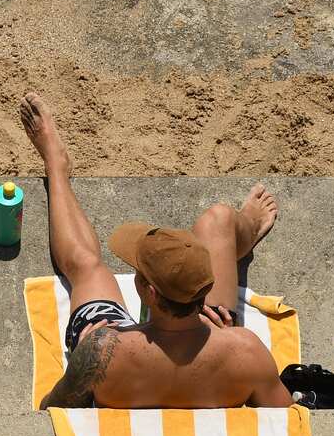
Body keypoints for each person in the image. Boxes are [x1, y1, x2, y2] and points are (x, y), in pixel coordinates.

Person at [19, 93, 293, 410]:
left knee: (86, 266)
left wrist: (91, 346)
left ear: (147, 292)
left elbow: (50, 408)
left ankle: (56, 163)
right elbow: (286, 420)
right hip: (215, 358)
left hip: (123, 358)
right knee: (219, 218)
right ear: (207, 286)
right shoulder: (247, 352)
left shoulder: (100, 352)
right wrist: (225, 338)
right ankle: (248, 229)